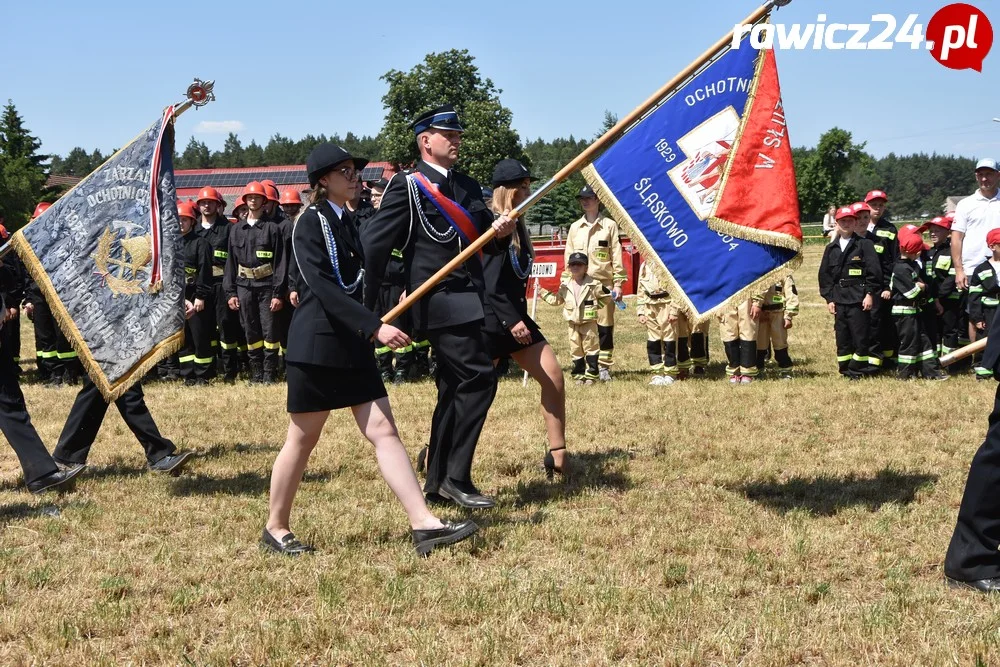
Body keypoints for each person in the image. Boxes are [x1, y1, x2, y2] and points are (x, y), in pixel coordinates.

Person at [262, 143, 477, 557]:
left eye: (355, 170)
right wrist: (374, 327)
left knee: (383, 431)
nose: (354, 177)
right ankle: (275, 527)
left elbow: (379, 265)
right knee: (302, 440)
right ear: (322, 181)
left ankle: (423, 522)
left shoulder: (353, 221)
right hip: (318, 347)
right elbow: (323, 287)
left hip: (351, 344)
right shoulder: (309, 223)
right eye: (344, 171)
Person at [361, 104, 516, 510]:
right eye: (449, 134)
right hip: (439, 302)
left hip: (473, 300)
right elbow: (374, 244)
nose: (457, 140)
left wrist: (502, 233)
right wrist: (376, 298)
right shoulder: (407, 186)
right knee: (479, 379)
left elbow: (484, 241)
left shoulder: (466, 185)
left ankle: (438, 481)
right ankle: (456, 477)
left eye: (458, 134)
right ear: (425, 140)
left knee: (452, 388)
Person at [483, 159, 569, 477]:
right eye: (522, 186)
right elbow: (487, 282)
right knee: (473, 394)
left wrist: (517, 320)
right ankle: (437, 450)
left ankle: (558, 455)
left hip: (516, 319)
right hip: (491, 322)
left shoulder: (518, 223)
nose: (528, 191)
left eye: (529, 185)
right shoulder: (491, 224)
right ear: (508, 190)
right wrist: (510, 321)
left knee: (553, 377)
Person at [224, 181, 287, 385]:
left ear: (263, 201)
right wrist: (230, 292)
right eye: (250, 197)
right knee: (250, 330)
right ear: (245, 200)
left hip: (267, 287)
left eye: (257, 197)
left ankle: (270, 373)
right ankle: (256, 373)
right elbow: (230, 264)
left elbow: (280, 262)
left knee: (270, 330)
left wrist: (278, 293)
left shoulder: (272, 229)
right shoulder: (236, 230)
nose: (253, 200)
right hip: (243, 287)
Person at [563, 185, 626, 381]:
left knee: (605, 326)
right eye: (582, 198)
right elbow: (568, 256)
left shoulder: (609, 226)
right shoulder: (575, 227)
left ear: (598, 199)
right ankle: (586, 367)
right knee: (582, 326)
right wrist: (566, 282)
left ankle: (604, 367)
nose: (585, 201)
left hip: (603, 282)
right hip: (580, 285)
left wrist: (618, 284)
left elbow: (616, 256)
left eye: (589, 197)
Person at [818, 206, 881, 379]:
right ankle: (845, 370)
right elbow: (825, 275)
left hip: (858, 298)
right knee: (842, 337)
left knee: (860, 337)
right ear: (837, 223)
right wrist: (829, 299)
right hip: (839, 298)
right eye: (843, 221)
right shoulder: (831, 248)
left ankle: (858, 369)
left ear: (855, 222)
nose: (846, 224)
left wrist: (869, 294)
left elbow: (874, 272)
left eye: (850, 220)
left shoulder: (864, 245)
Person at [540, 253, 611, 385]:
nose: (575, 267)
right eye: (572, 264)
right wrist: (542, 292)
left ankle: (591, 375)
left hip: (588, 323)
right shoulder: (565, 285)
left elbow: (607, 295)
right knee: (576, 349)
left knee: (591, 348)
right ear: (568, 267)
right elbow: (557, 300)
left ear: (586, 267)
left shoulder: (594, 284)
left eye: (579, 264)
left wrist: (596, 306)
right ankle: (579, 375)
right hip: (572, 323)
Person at [197, 186, 243, 382]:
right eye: (203, 203)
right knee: (204, 328)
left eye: (210, 202)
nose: (207, 205)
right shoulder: (194, 229)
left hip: (223, 284)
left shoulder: (229, 228)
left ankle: (230, 371)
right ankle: (208, 371)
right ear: (199, 206)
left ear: (218, 205)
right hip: (201, 287)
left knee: (226, 326)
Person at [891, 231, 949, 380]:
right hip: (904, 312)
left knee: (924, 341)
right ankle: (905, 374)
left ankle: (931, 373)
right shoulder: (901, 268)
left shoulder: (910, 266)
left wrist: (924, 287)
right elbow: (910, 293)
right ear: (915, 252)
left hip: (914, 311)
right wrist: (921, 287)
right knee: (909, 343)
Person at [177, 202, 217, 385]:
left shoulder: (201, 243)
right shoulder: (171, 245)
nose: (180, 223)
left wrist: (200, 297)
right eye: (177, 220)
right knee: (184, 340)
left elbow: (205, 272)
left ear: (192, 222)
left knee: (201, 337)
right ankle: (188, 375)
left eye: (184, 220)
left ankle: (203, 375)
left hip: (196, 298)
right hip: (178, 299)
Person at [860, 194, 899, 373]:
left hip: (881, 284)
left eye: (881, 205)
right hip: (861, 283)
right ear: (866, 205)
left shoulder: (890, 229)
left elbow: (893, 259)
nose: (877, 207)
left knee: (881, 321)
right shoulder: (858, 224)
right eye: (873, 204)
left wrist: (888, 286)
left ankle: (884, 359)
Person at [636, 256, 680, 385]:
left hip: (666, 304)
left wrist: (674, 310)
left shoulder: (669, 263)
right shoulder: (644, 266)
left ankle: (670, 373)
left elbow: (677, 290)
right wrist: (640, 311)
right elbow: (640, 290)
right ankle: (657, 373)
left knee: (669, 339)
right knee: (653, 340)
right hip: (650, 306)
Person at [926, 215, 962, 359]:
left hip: (948, 300)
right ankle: (935, 361)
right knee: (935, 331)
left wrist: (939, 297)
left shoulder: (951, 252)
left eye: (937, 231)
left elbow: (952, 277)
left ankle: (949, 362)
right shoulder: (928, 252)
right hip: (933, 300)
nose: (933, 233)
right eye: (931, 231)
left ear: (948, 233)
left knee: (949, 331)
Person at [968, 228, 1000, 380]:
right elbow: (974, 296)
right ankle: (982, 368)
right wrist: (977, 317)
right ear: (992, 247)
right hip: (989, 311)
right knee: (985, 339)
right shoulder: (982, 269)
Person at [756, 275, 799, 379]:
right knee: (760, 344)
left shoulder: (784, 274)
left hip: (778, 314)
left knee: (780, 342)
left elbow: (791, 294)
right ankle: (758, 369)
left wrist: (788, 316)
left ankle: (785, 370)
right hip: (761, 314)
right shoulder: (759, 271)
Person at [719, 297, 763, 384]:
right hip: (725, 297)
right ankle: (734, 370)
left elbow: (759, 284)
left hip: (747, 296)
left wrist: (757, 303)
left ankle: (747, 371)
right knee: (728, 333)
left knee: (748, 333)